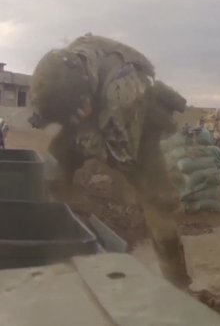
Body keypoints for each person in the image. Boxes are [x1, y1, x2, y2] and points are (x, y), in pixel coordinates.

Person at [28, 33, 191, 288]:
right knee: (55, 160)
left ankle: (177, 284)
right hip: (92, 110)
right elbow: (50, 100)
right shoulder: (70, 63)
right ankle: (57, 233)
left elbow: (121, 158)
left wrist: (86, 128)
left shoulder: (122, 95)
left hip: (137, 128)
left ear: (82, 105)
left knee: (157, 203)